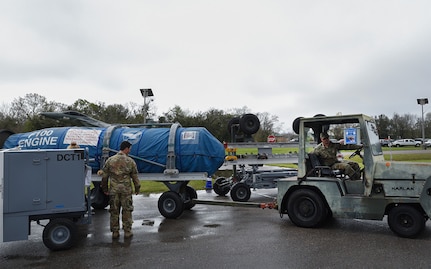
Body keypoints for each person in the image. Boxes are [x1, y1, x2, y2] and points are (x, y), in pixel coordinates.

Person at [100, 141, 141, 239]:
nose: (130, 150)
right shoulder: (130, 161)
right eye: (129, 148)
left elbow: (104, 177)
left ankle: (115, 232)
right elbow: (135, 177)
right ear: (126, 148)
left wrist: (105, 189)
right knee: (127, 210)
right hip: (126, 191)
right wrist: (137, 188)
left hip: (114, 190)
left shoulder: (110, 160)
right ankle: (127, 231)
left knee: (114, 211)